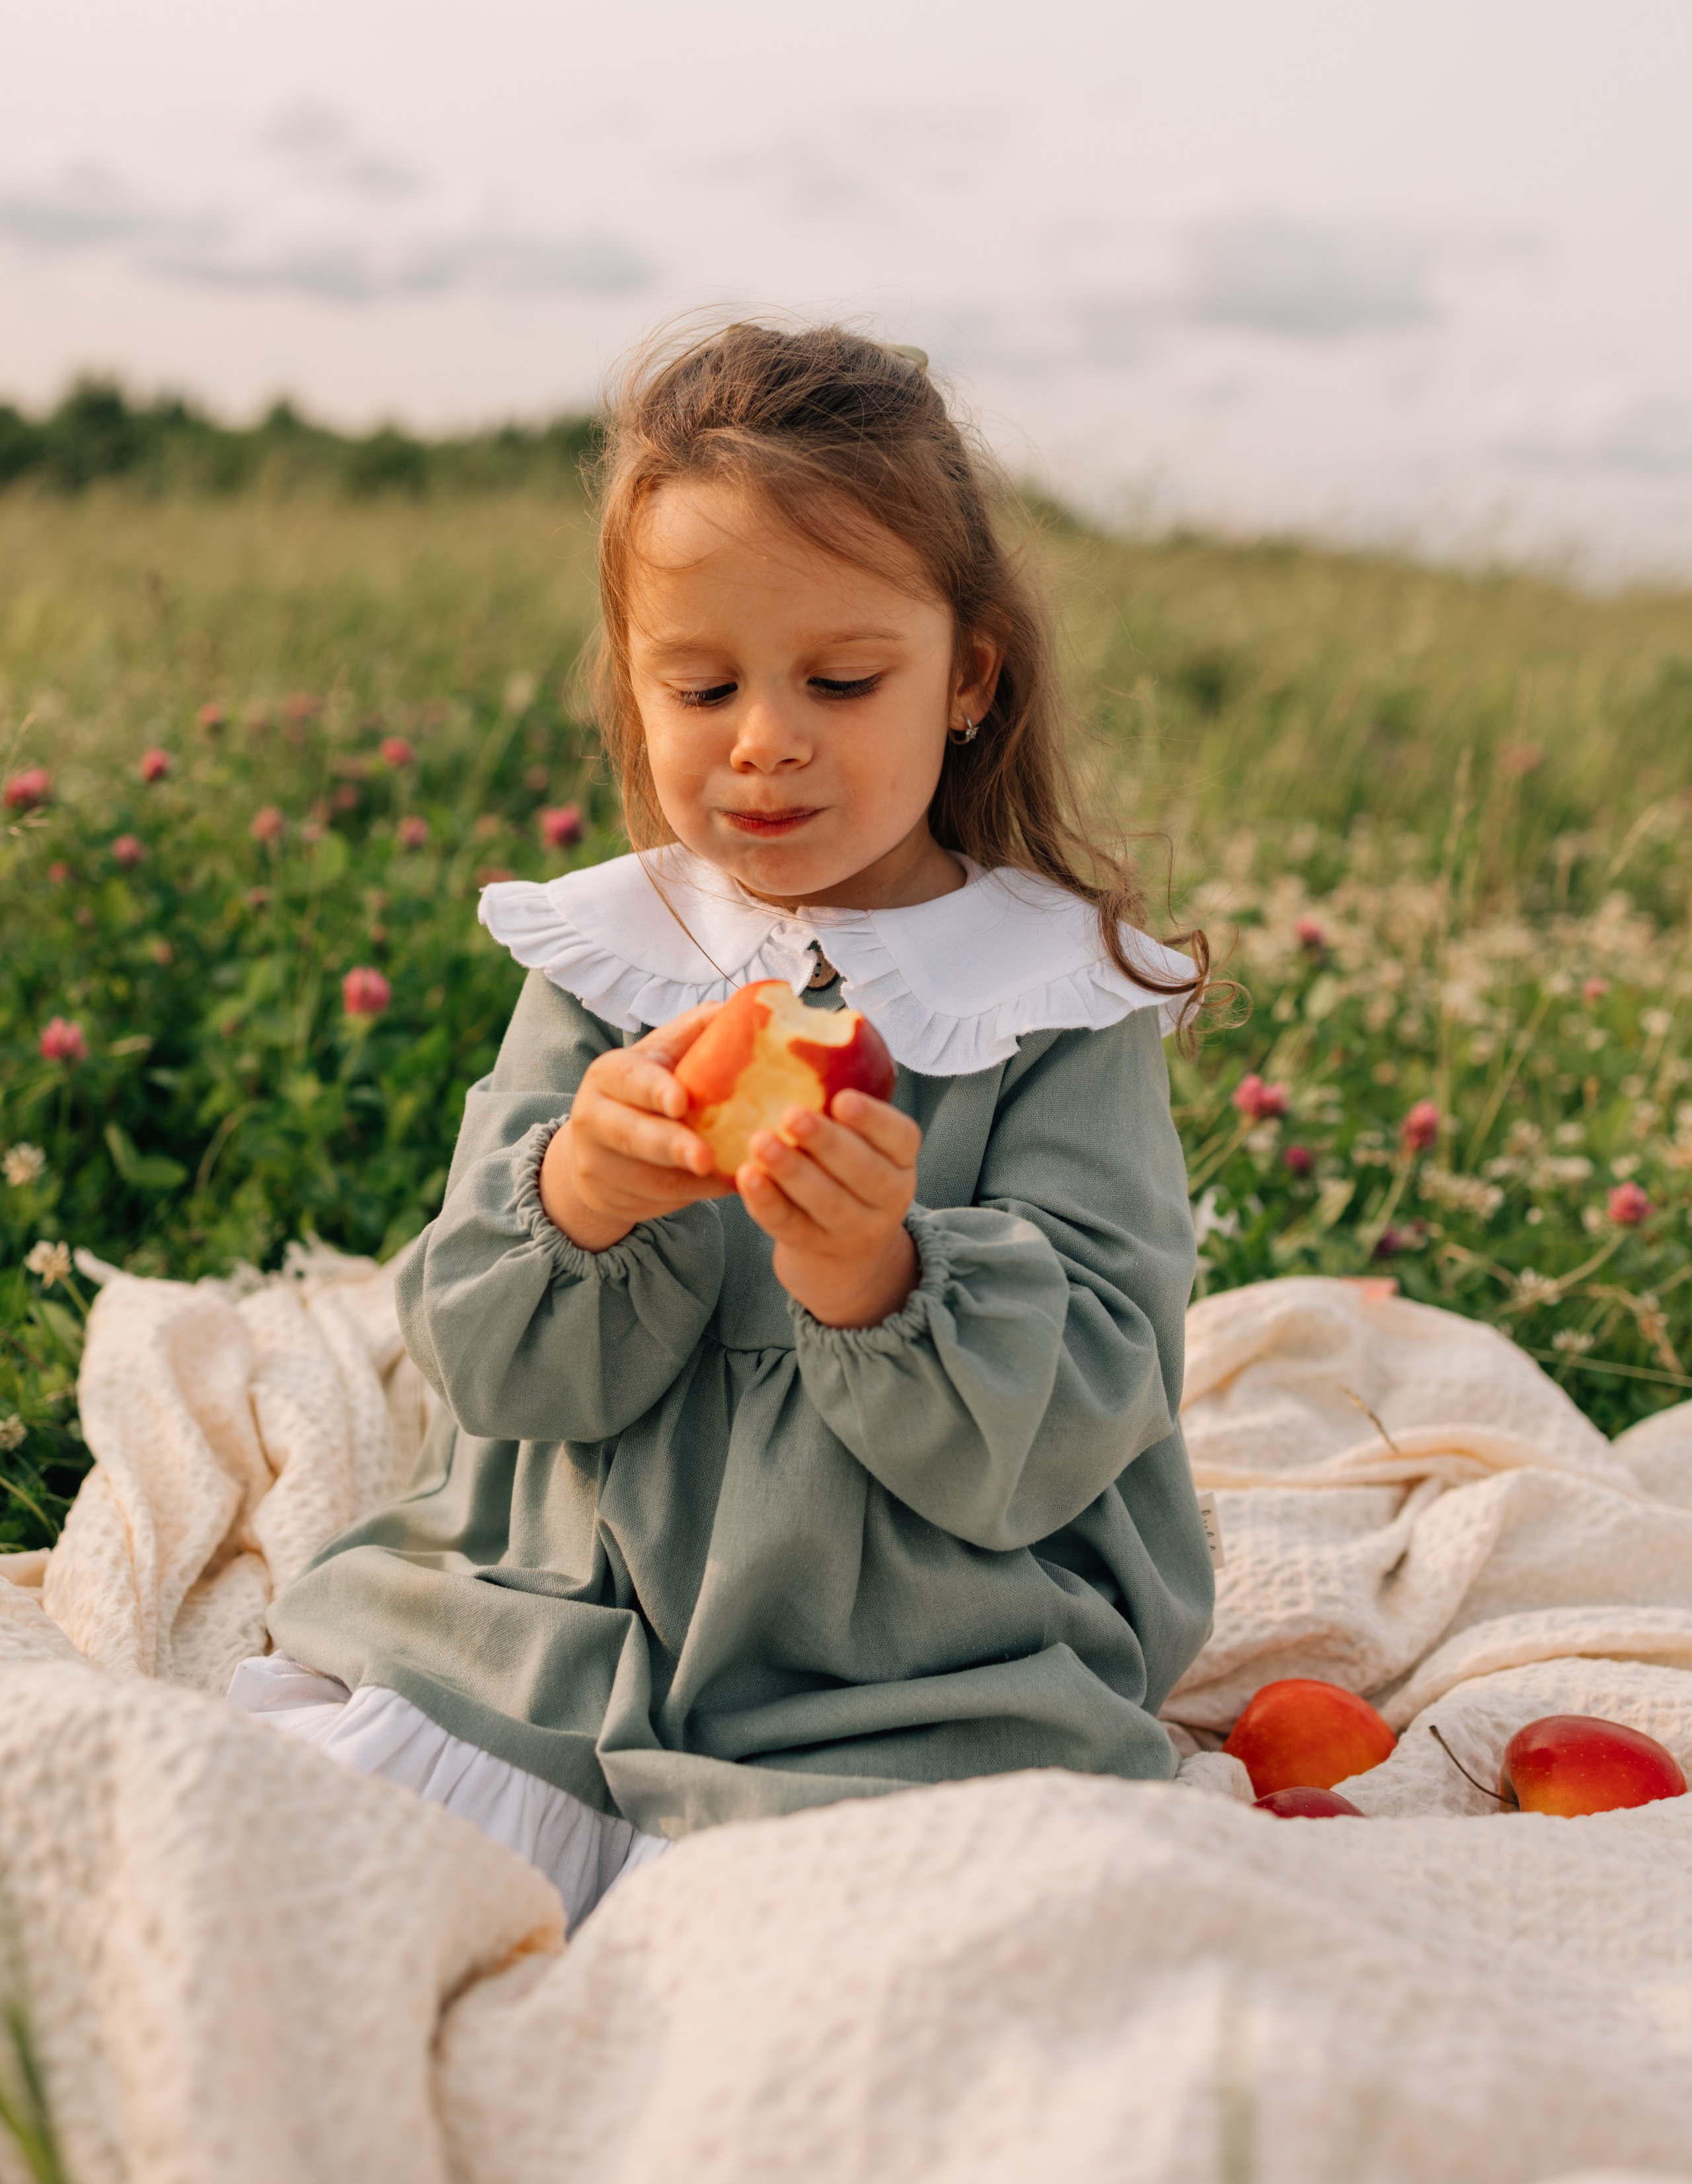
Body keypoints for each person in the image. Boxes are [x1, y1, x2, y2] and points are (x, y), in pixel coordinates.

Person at [231, 322, 1216, 1928]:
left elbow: (1090, 1400)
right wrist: (582, 1193)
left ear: (967, 674)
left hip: (896, 1672)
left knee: (877, 1991)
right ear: (635, 683)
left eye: (840, 680)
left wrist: (876, 1277)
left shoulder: (1050, 997)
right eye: (701, 685)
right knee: (305, 1896)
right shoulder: (619, 957)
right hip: (545, 1627)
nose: (763, 738)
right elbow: (481, 1355)